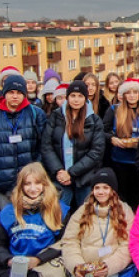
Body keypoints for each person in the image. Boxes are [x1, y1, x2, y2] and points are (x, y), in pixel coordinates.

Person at [0, 73, 48, 212]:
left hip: (30, 184)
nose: (15, 96)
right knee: (8, 223)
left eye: (19, 93)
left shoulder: (36, 114)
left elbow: (44, 147)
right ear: (4, 93)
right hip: (2, 183)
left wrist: (37, 174)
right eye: (11, 92)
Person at [41, 80, 106, 215]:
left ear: (85, 98)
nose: (76, 100)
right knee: (59, 216)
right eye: (73, 96)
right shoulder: (56, 116)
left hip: (84, 178)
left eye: (80, 96)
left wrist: (71, 172)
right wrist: (59, 171)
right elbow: (47, 145)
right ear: (67, 97)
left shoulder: (94, 120)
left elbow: (96, 152)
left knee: (85, 216)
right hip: (60, 178)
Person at [103, 77, 139, 208]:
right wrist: (112, 138)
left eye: (135, 92)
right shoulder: (114, 110)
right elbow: (102, 130)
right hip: (119, 161)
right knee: (122, 198)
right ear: (124, 95)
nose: (132, 96)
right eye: (129, 92)